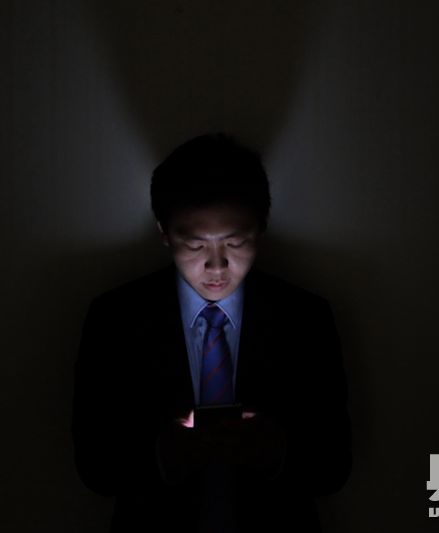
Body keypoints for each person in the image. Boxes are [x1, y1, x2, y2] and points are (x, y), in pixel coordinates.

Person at [72, 133, 351, 532]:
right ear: (164, 232)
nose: (217, 266)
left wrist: (277, 449)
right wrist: (162, 454)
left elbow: (335, 466)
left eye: (236, 242)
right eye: (194, 245)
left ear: (262, 226)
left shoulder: (304, 318)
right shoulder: (117, 319)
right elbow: (94, 467)